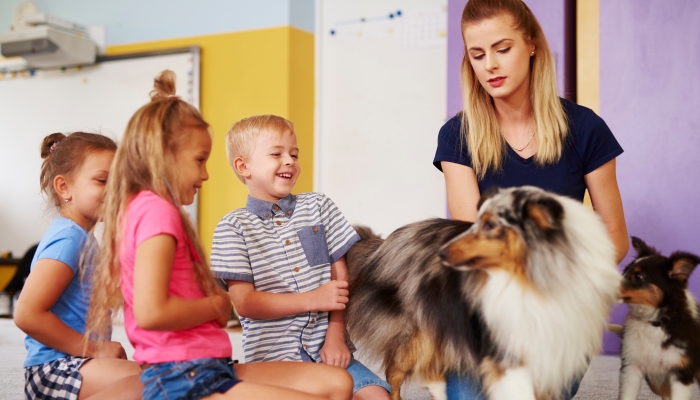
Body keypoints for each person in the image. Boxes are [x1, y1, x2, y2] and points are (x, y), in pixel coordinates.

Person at [85, 71, 353, 400]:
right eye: (199, 160)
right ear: (165, 155)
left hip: (209, 365)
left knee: (338, 383)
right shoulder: (158, 213)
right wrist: (217, 304)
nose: (206, 174)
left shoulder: (144, 208)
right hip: (187, 374)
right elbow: (150, 312)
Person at [433, 0, 629, 398]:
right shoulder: (457, 134)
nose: (490, 65)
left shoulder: (585, 127)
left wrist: (553, 291)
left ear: (532, 45)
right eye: (478, 54)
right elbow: (475, 236)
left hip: (557, 310)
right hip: (485, 308)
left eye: (502, 49)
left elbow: (615, 237)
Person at [210, 115, 392, 400]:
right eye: (276, 154)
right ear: (243, 166)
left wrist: (335, 337)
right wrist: (313, 299)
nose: (289, 161)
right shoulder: (232, 227)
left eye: (294, 154)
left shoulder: (319, 205)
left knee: (377, 396)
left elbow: (339, 276)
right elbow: (245, 303)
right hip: (273, 361)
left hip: (327, 349)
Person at [14, 132, 143, 399]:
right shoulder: (69, 238)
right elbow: (27, 313)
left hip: (75, 361)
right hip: (55, 369)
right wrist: (96, 349)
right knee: (158, 384)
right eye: (103, 180)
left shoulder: (81, 237)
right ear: (64, 187)